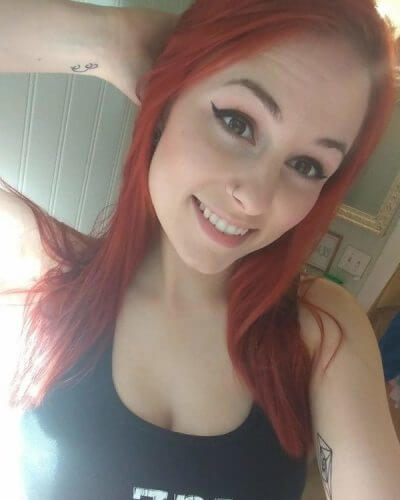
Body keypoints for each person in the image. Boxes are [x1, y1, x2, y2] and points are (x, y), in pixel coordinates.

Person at [0, 1, 398, 499]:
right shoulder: (41, 268)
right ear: (168, 99)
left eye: (306, 165)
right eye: (237, 122)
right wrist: (109, 37)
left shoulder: (319, 330)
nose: (255, 198)